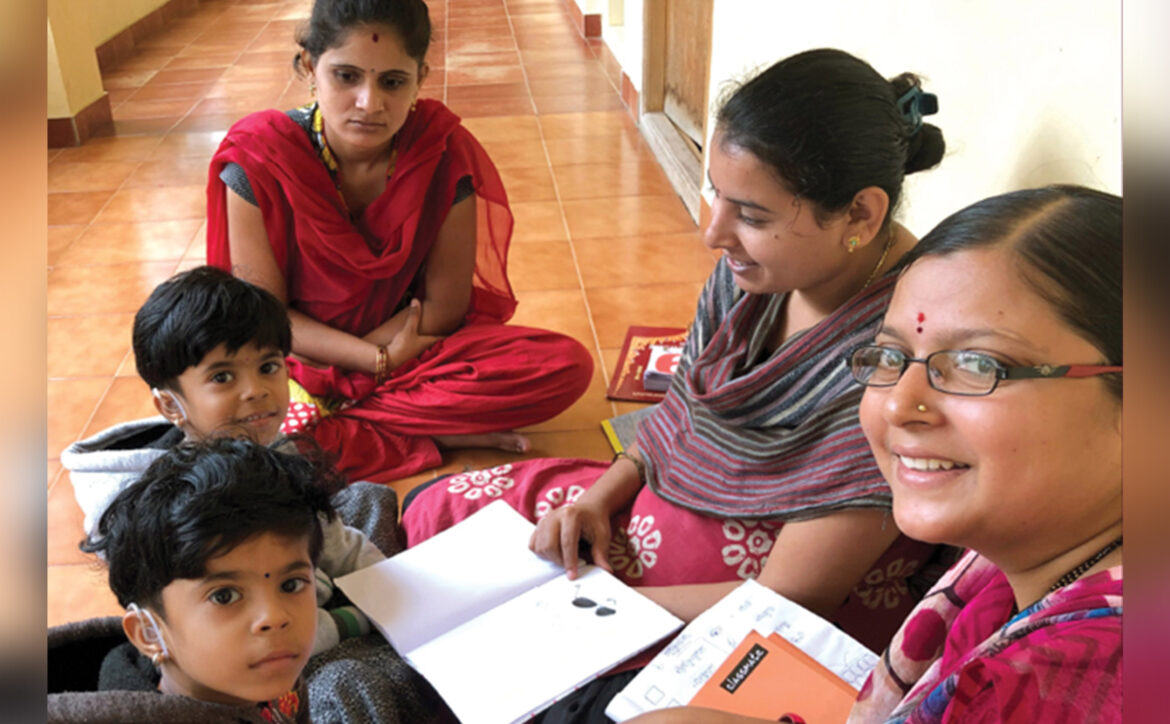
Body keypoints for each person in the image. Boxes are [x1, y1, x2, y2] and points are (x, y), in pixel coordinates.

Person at [405, 46, 948, 667]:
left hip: (748, 604)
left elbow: (794, 596)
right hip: (662, 505)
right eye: (717, 194)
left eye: (751, 215)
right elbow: (681, 411)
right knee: (439, 511)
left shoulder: (901, 363)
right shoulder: (754, 277)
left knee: (498, 655)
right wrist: (596, 500)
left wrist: (587, 607)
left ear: (860, 213)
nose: (713, 233)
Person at [628, 185, 1123, 723]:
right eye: (890, 356)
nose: (898, 405)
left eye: (978, 365)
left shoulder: (1069, 688)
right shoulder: (1028, 554)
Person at [205, 0, 593, 483]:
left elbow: (445, 307)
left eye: (392, 81)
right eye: (346, 77)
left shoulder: (441, 151)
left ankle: (326, 429)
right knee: (235, 416)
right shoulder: (259, 160)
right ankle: (428, 433)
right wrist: (372, 361)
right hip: (296, 361)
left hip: (412, 349)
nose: (369, 103)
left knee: (562, 366)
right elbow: (266, 320)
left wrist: (375, 365)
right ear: (309, 66)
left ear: (420, 77)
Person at [62, 265, 395, 655]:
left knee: (369, 498)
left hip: (300, 599)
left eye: (268, 367)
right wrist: (354, 620)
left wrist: (392, 592)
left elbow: (338, 542)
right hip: (249, 648)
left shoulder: (270, 449)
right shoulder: (172, 510)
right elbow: (246, 633)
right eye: (222, 377)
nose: (256, 390)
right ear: (171, 405)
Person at [69, 439, 333, 721]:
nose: (275, 617)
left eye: (291, 585)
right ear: (149, 633)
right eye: (224, 596)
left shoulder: (263, 671)